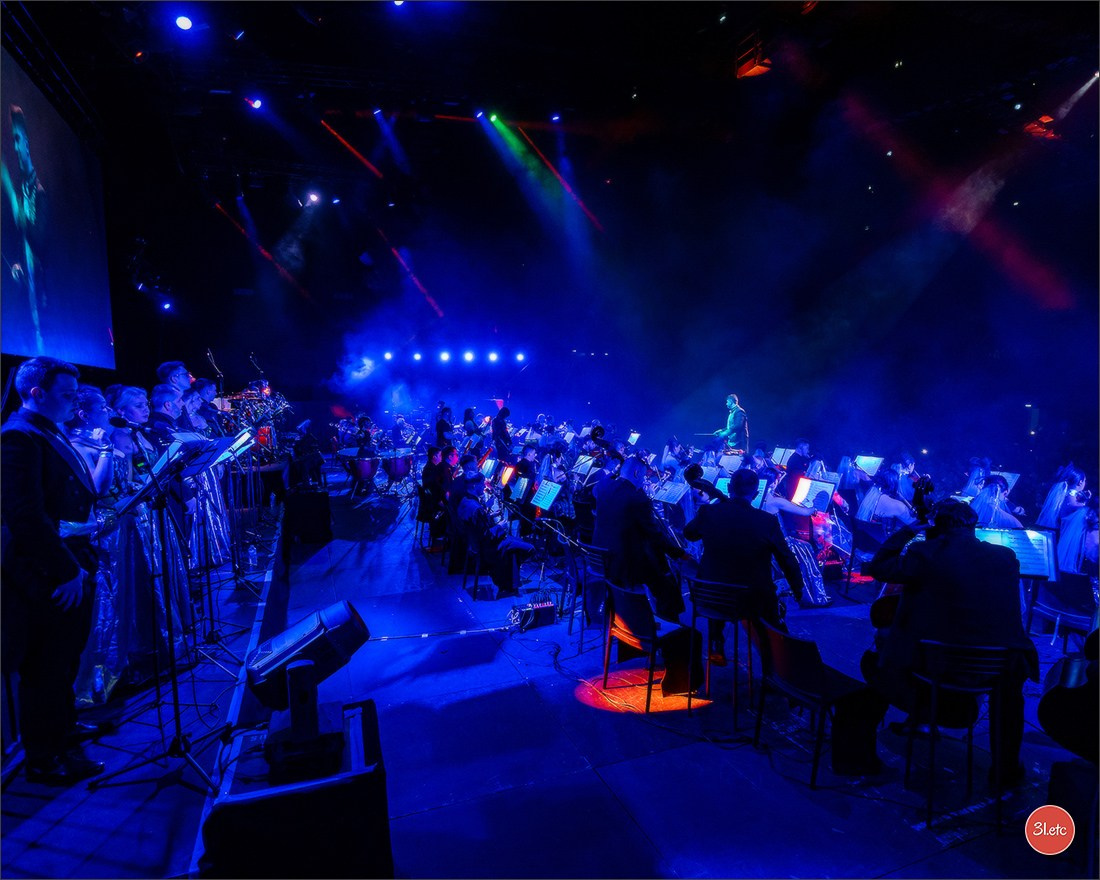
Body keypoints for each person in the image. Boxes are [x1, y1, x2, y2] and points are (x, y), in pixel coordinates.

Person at [863, 499, 1039, 787]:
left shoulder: (924, 553)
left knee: (879, 655)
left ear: (937, 526)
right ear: (974, 526)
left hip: (939, 667)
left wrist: (909, 531)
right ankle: (1005, 768)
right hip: (998, 666)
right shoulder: (1006, 557)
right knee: (1010, 692)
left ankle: (915, 717)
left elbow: (879, 567)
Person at [1, 356, 104, 784]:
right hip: (48, 571)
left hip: (70, 559)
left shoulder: (42, 431)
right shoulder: (17, 437)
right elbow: (23, 515)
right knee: (46, 665)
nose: (74, 404)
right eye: (66, 395)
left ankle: (62, 730)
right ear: (36, 393)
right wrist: (65, 572)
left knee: (64, 659)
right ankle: (44, 757)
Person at [683, 469, 805, 663]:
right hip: (750, 600)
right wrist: (798, 588)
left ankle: (716, 640)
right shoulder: (767, 521)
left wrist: (715, 507)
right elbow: (786, 558)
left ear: (729, 488)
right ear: (756, 495)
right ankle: (779, 663)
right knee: (770, 609)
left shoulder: (708, 512)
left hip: (710, 597)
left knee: (721, 579)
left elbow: (689, 533)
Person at [592, 455, 685, 623]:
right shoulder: (638, 499)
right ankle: (669, 626)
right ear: (636, 473)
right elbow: (655, 535)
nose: (644, 481)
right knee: (666, 581)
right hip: (622, 563)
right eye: (643, 477)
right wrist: (678, 553)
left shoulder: (603, 486)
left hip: (599, 556)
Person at [2, 105, 48, 351]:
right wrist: (18, 267)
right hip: (29, 307)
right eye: (14, 140)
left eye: (18, 139)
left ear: (27, 143)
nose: (16, 147)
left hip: (44, 305)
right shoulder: (24, 189)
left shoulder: (38, 193)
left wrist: (17, 210)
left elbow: (40, 243)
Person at [1036, 464, 1089, 530]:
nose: (1085, 483)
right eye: (1085, 480)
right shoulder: (1072, 500)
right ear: (1080, 482)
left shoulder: (1062, 497)